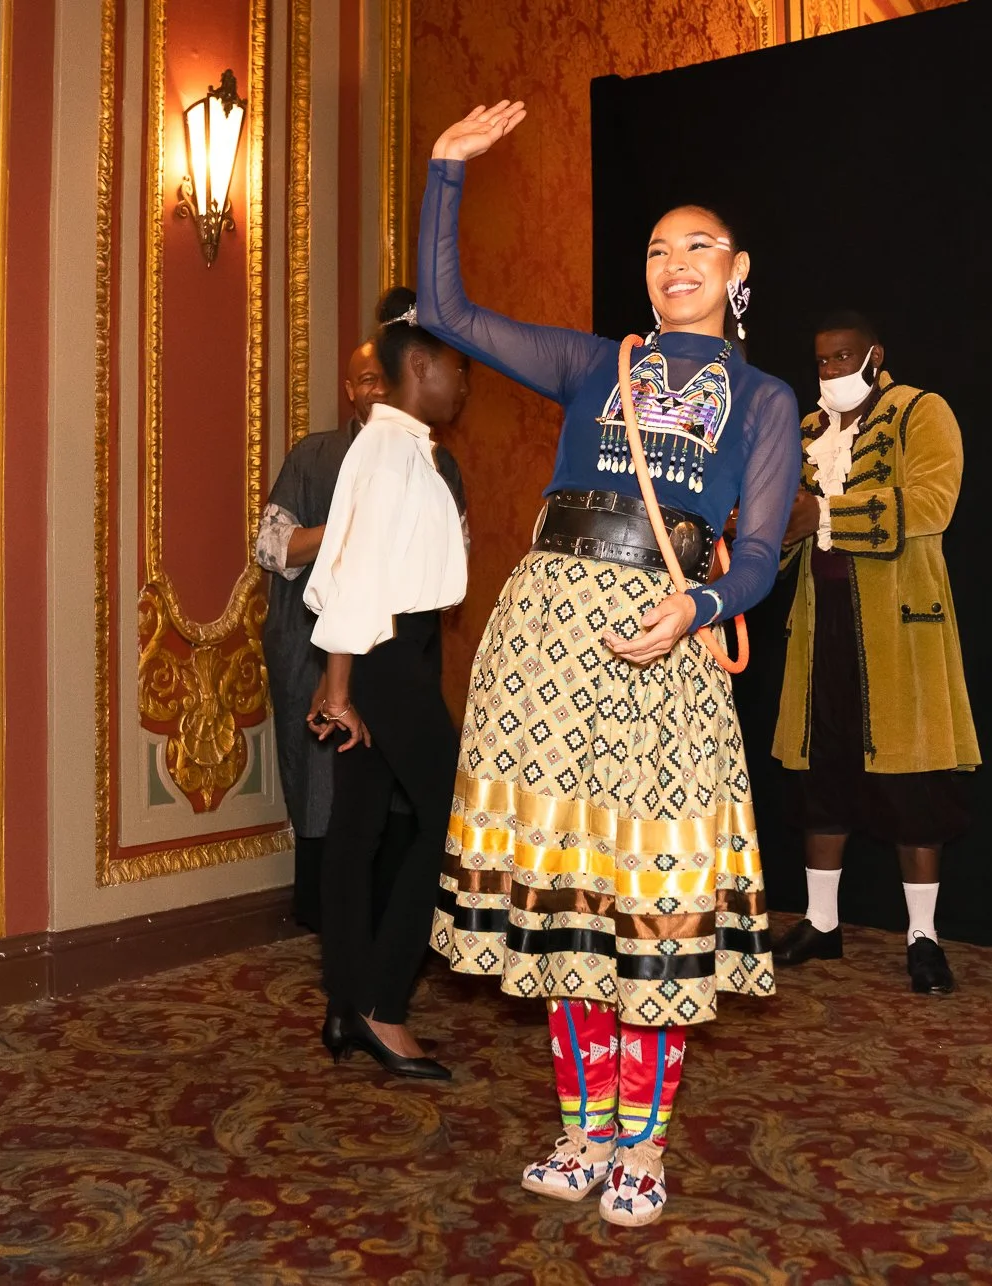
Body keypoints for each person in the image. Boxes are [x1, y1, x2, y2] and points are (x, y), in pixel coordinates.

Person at [419, 101, 800, 1227]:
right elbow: (446, 308)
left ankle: (646, 1143)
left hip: (666, 640)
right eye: (655, 248)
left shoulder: (765, 398)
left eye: (698, 246)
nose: (673, 261)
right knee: (570, 902)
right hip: (545, 635)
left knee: (652, 897)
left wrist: (698, 604)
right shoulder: (597, 361)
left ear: (737, 271)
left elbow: (766, 552)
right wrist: (447, 172)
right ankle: (583, 1127)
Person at [768, 313, 980, 995]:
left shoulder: (921, 410)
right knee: (820, 772)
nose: (829, 370)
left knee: (912, 783)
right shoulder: (804, 431)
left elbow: (931, 503)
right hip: (820, 621)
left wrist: (823, 516)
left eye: (842, 357)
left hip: (900, 628)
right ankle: (821, 923)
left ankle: (924, 938)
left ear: (875, 354)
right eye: (821, 361)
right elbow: (788, 530)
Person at [307, 287, 470, 1081]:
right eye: (456, 369)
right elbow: (356, 569)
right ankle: (382, 1006)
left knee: (361, 820)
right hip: (386, 651)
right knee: (451, 816)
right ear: (420, 364)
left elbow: (342, 562)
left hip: (370, 650)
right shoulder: (390, 449)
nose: (464, 385)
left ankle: (346, 1000)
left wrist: (338, 676)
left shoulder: (401, 446)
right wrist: (339, 683)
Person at [256, 334, 467, 931]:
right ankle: (363, 980)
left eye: (383, 379)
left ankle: (359, 984)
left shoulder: (435, 457)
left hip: (399, 640)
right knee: (344, 800)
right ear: (350, 391)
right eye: (365, 381)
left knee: (369, 808)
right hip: (324, 640)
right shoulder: (317, 455)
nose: (377, 390)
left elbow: (453, 552)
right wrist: (352, 526)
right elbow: (272, 545)